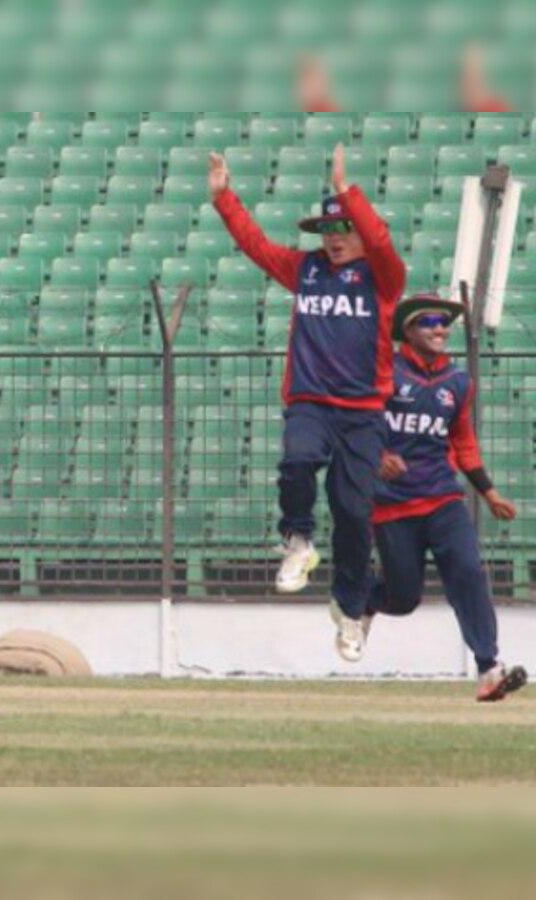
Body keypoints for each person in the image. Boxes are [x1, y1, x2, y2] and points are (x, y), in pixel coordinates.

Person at [211, 143, 407, 662]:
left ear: (362, 233)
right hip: (311, 402)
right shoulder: (306, 270)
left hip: (364, 413)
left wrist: (348, 192)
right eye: (328, 231)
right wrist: (224, 197)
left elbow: (383, 242)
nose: (336, 239)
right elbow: (255, 246)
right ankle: (297, 539)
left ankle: (349, 611)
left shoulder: (384, 278)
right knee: (296, 460)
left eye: (344, 230)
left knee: (354, 513)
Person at [368, 293, 527, 702]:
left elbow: (463, 441)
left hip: (442, 498)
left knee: (469, 572)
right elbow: (356, 424)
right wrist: (378, 455)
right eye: (430, 321)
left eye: (445, 321)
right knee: (403, 599)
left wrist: (488, 492)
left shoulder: (458, 382)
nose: (441, 328)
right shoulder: (383, 371)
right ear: (406, 329)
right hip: (391, 503)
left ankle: (489, 667)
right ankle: (359, 600)